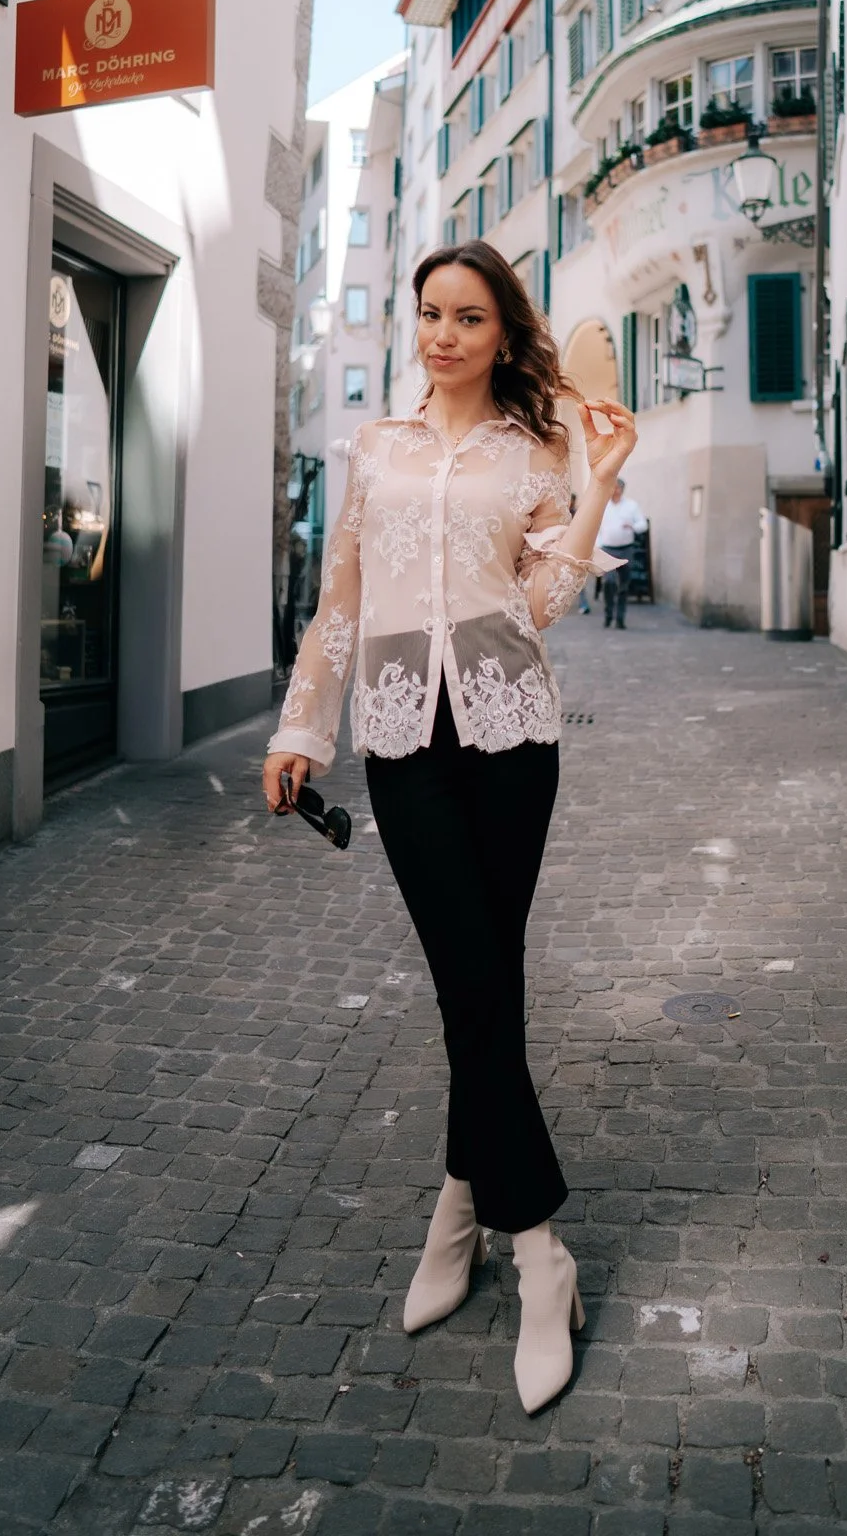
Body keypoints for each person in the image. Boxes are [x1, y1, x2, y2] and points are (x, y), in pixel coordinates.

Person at [263, 240, 634, 1414]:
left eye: (467, 317)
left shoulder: (530, 451)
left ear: (499, 330)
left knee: (487, 982)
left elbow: (538, 608)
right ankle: (539, 1250)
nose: (442, 333)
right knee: (468, 978)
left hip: (513, 732)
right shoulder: (376, 448)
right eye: (429, 313)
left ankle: (461, 1204)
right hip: (401, 741)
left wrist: (597, 492)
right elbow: (342, 601)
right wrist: (300, 730)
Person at [595, 476, 648, 628]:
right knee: (609, 582)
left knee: (624, 585)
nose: (614, 490)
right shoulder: (603, 506)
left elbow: (643, 524)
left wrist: (633, 526)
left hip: (626, 549)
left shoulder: (631, 506)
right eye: (612, 487)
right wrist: (599, 545)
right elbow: (596, 528)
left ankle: (620, 618)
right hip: (608, 549)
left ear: (622, 489)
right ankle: (608, 613)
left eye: (617, 488)